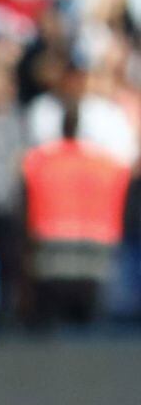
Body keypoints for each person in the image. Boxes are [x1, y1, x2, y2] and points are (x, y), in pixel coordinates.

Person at [22, 102, 130, 326]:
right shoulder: (106, 165)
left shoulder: (40, 161)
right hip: (95, 248)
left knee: (53, 317)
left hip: (51, 247)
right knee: (88, 320)